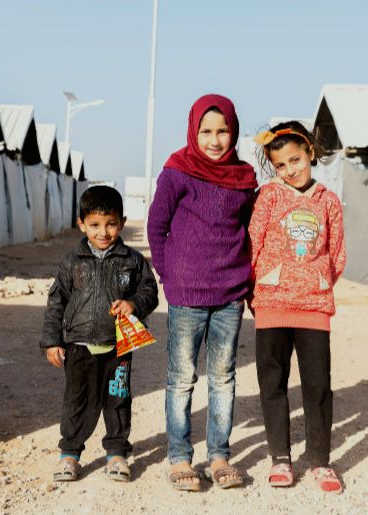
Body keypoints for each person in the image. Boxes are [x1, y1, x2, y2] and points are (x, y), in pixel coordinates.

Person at [147, 94, 257, 491]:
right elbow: (157, 227)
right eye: (206, 131)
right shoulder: (177, 171)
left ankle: (219, 456)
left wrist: (250, 285)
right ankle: (179, 458)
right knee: (181, 379)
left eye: (223, 130)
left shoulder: (244, 179)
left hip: (229, 295)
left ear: (234, 131)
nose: (214, 140)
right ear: (194, 131)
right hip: (186, 295)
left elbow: (248, 234)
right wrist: (168, 274)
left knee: (223, 378)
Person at [248, 121, 346, 492]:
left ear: (310, 154)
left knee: (317, 385)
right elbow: (253, 243)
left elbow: (337, 254)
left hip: (314, 307)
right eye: (282, 165)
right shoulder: (269, 196)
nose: (291, 170)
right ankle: (281, 458)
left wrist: (317, 283)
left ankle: (320, 461)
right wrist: (260, 287)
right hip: (271, 303)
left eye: (296, 160)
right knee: (273, 383)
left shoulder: (328, 201)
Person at [41, 186, 159, 483]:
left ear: (121, 222)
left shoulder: (132, 260)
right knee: (76, 401)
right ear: (81, 224)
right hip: (78, 347)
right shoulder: (73, 261)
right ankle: (69, 454)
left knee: (118, 399)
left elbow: (150, 292)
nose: (103, 232)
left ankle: (117, 454)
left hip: (118, 346)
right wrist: (53, 340)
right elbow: (57, 301)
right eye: (94, 225)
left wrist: (134, 304)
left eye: (111, 224)